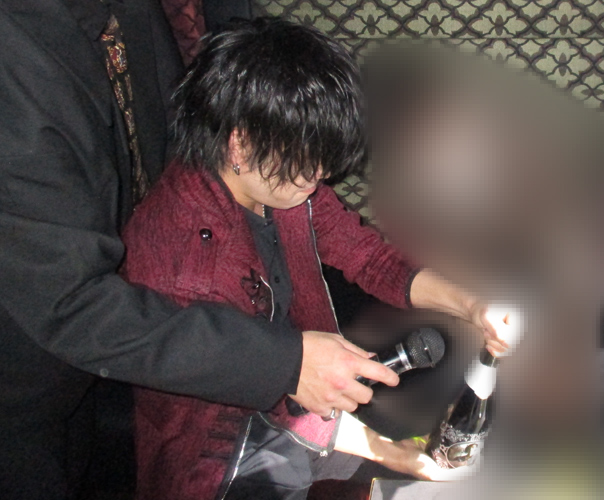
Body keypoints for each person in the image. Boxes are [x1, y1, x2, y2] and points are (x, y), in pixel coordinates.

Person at [0, 2, 493, 498]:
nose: (318, 181)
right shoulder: (189, 264)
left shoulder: (278, 176)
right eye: (308, 167)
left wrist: (472, 305)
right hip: (221, 465)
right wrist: (392, 453)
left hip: (305, 420)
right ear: (241, 144)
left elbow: (367, 255)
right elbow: (262, 409)